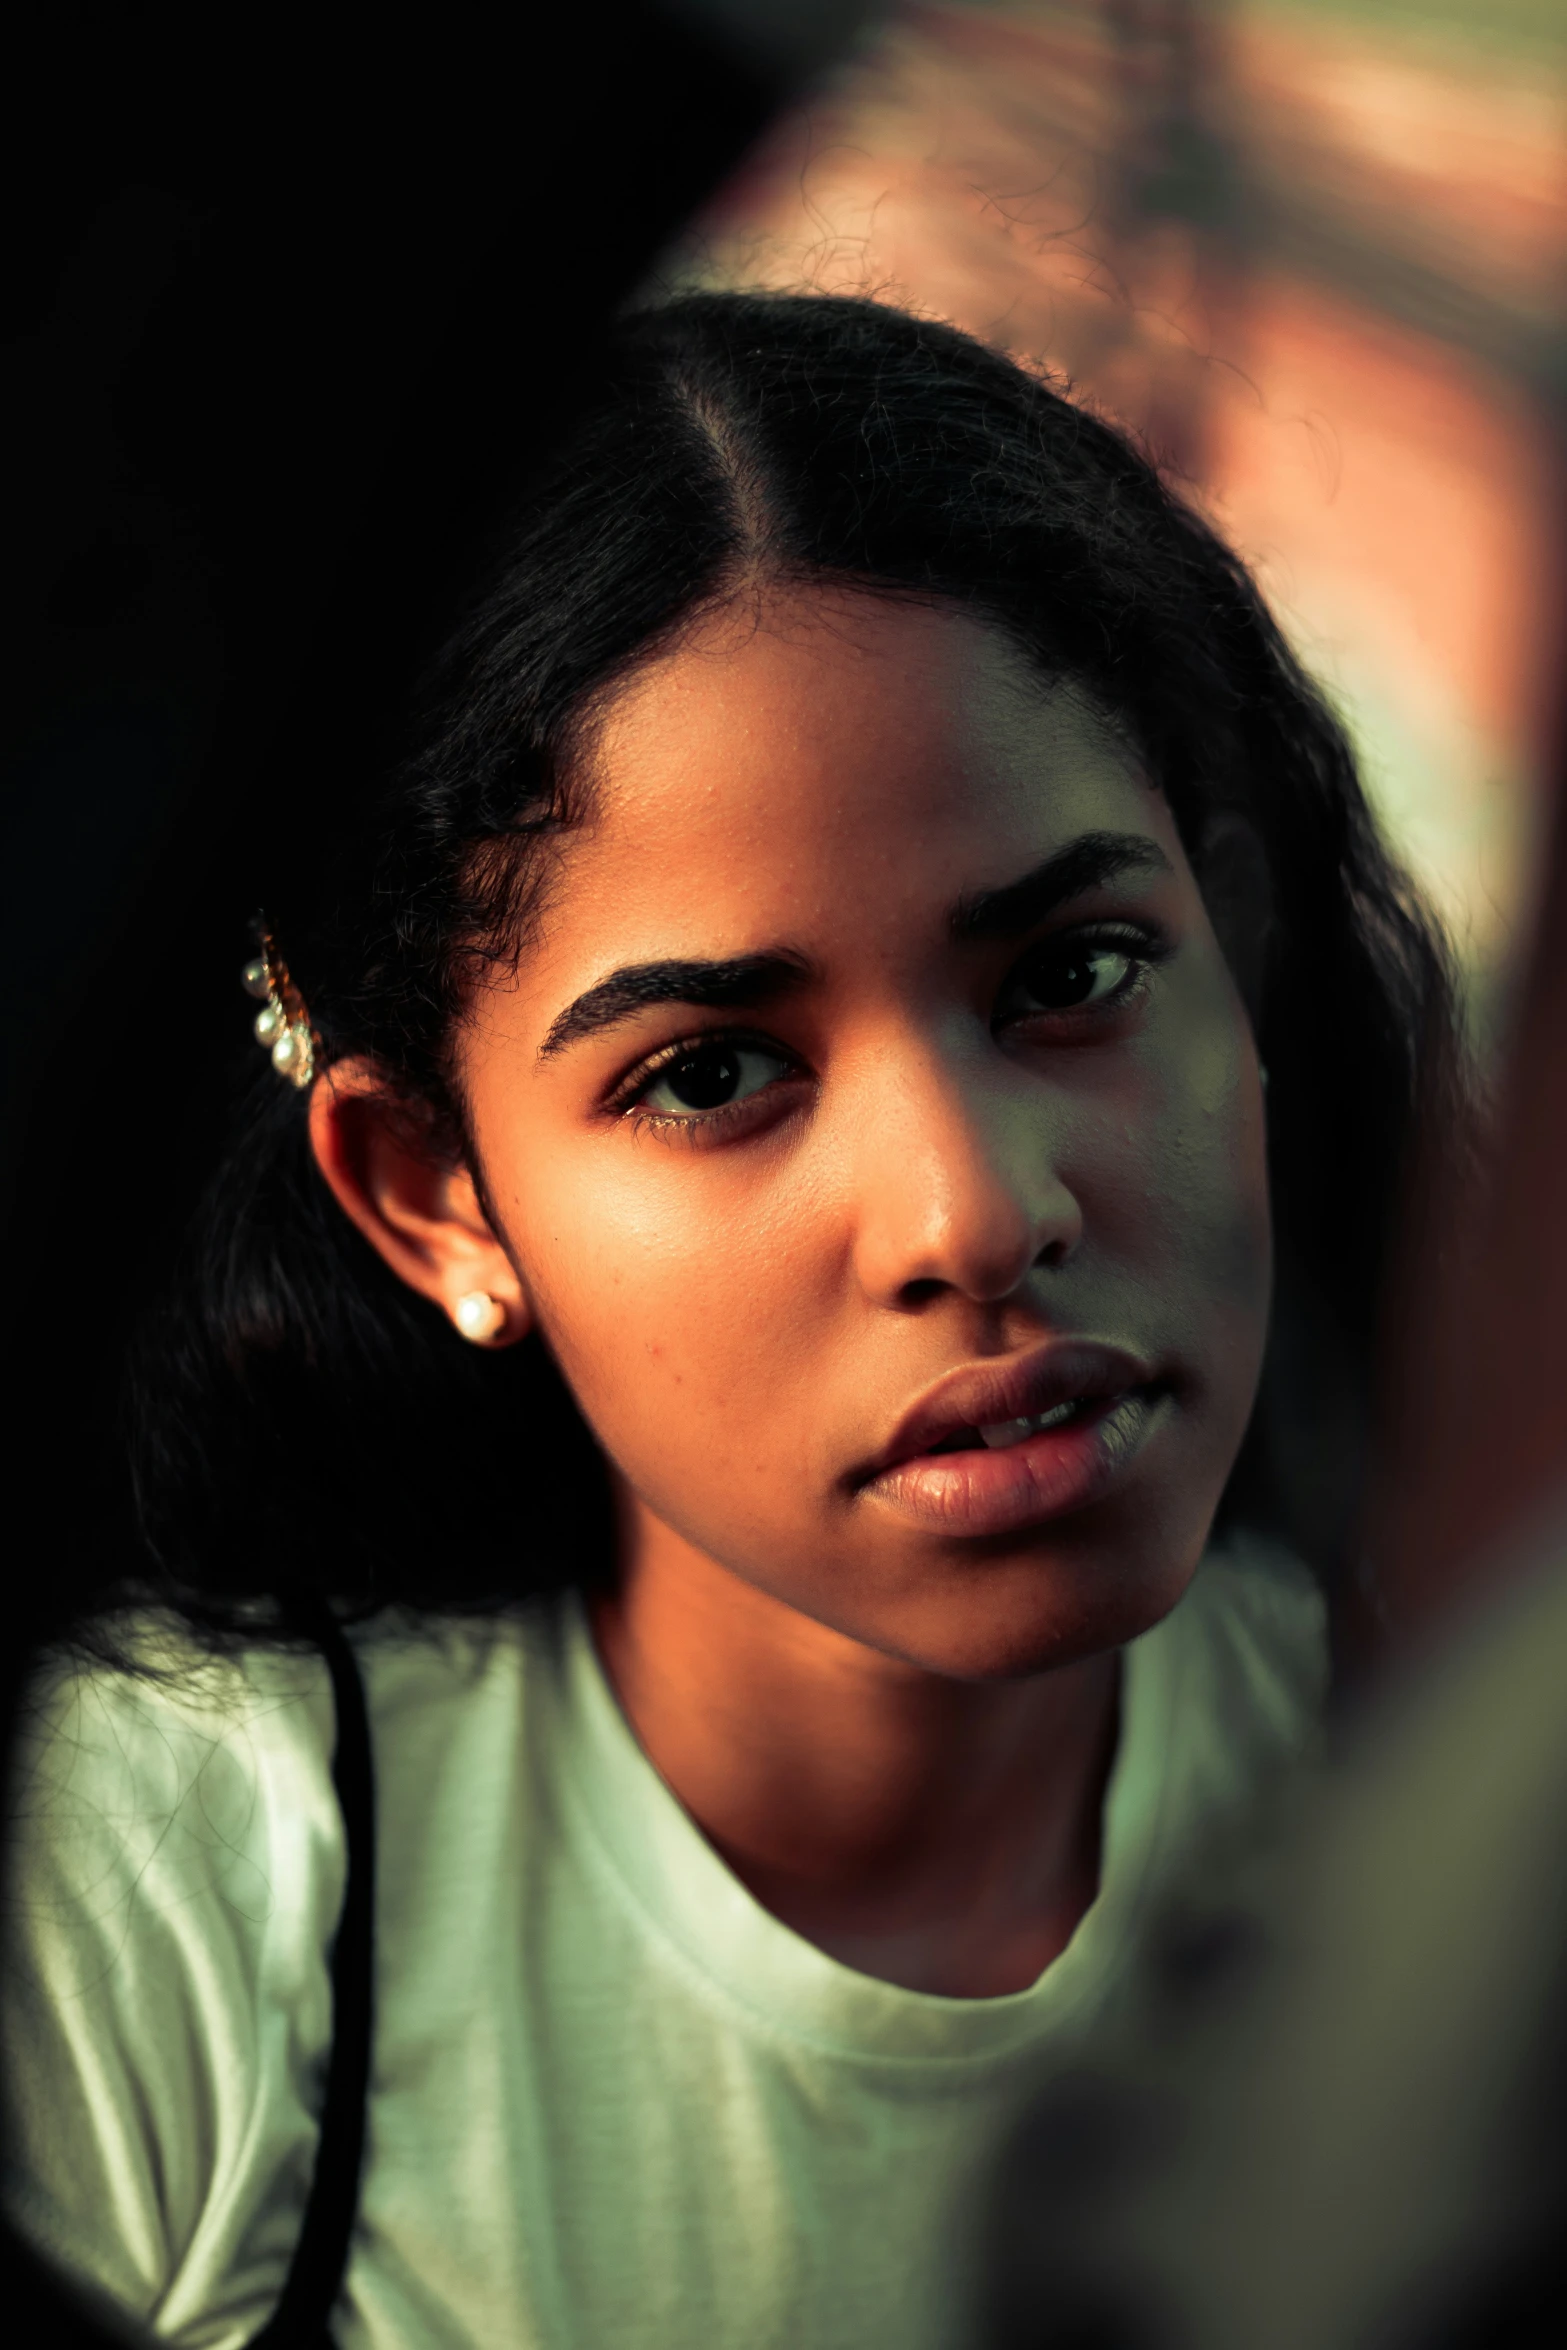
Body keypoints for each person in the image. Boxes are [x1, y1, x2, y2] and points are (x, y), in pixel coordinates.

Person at [1, 291, 1460, 2350]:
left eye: (1075, 970)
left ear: (1242, 955)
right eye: (707, 1074)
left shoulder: (1442, 1809)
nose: (976, 1211)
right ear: (434, 1199)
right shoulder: (163, 1889)